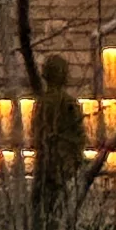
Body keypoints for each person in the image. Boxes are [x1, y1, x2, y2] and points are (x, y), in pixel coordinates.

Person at [31, 54, 86, 220]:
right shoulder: (69, 104)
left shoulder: (40, 103)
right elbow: (79, 137)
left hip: (43, 170)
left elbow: (36, 136)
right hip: (62, 172)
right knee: (60, 218)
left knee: (40, 217)